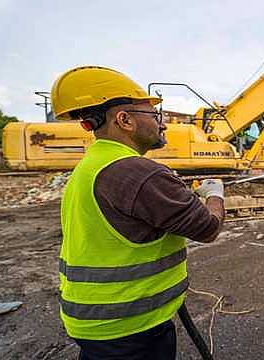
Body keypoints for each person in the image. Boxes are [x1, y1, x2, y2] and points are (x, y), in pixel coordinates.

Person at [52, 65, 225, 359]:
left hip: (100, 321)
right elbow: (208, 228)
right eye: (155, 115)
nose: (164, 124)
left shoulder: (93, 164)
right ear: (124, 120)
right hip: (128, 325)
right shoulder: (137, 171)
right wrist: (215, 195)